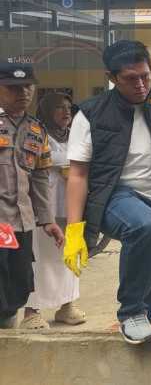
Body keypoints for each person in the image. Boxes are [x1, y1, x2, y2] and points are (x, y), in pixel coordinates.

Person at [63, 41, 151, 344]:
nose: (140, 85)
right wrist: (74, 229)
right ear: (112, 78)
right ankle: (130, 312)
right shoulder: (91, 113)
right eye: (131, 78)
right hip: (113, 195)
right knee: (144, 226)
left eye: (145, 76)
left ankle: (141, 324)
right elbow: (77, 174)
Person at [0, 62, 64, 329]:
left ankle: (6, 329)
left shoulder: (37, 130)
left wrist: (48, 220)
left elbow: (39, 176)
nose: (22, 93)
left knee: (18, 282)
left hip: (21, 222)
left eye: (27, 86)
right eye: (13, 88)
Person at [20, 93, 84, 330]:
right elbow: (36, 158)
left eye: (68, 107)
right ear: (46, 110)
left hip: (70, 205)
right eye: (59, 107)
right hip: (43, 208)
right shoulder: (35, 131)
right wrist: (69, 160)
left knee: (69, 253)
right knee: (39, 258)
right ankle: (31, 311)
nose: (66, 111)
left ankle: (68, 305)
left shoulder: (75, 135)